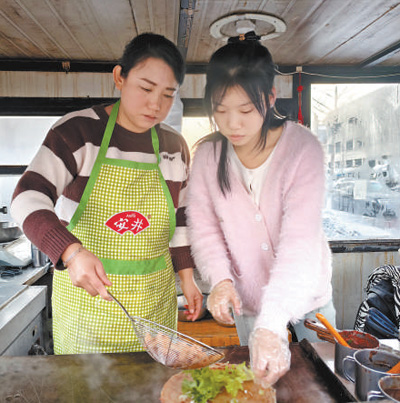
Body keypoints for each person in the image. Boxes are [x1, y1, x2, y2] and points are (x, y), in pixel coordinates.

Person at [11, 33, 203, 354]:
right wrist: (71, 252)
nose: (156, 105)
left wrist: (186, 275)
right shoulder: (78, 132)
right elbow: (26, 198)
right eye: (145, 88)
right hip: (88, 312)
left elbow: (180, 218)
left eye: (168, 94)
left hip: (155, 308)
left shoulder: (174, 147)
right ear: (119, 77)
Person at [186, 32, 335, 387]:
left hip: (307, 295)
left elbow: (300, 242)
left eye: (245, 110)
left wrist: (272, 325)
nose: (232, 124)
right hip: (248, 301)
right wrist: (220, 281)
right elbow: (204, 229)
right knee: (259, 385)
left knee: (325, 383)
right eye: (220, 111)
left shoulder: (302, 149)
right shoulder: (208, 156)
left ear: (270, 98)